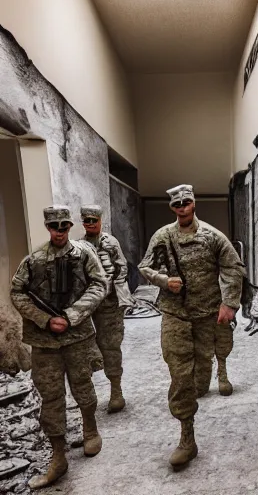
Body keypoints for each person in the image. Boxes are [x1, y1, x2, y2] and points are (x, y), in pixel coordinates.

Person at [138, 184, 245, 469]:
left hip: (207, 313)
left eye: (186, 201)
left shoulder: (212, 236)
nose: (183, 207)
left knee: (203, 364)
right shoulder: (163, 236)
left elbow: (233, 267)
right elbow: (144, 266)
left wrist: (229, 303)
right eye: (177, 204)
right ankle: (187, 437)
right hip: (175, 313)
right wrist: (163, 281)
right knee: (179, 372)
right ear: (172, 208)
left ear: (194, 203)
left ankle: (214, 374)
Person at [10, 205, 108, 489]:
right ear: (48, 227)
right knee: (50, 397)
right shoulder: (34, 260)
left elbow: (99, 284)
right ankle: (58, 456)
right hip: (45, 343)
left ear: (69, 226)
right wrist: (44, 319)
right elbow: (17, 292)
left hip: (77, 337)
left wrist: (71, 315)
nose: (60, 231)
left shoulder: (83, 253)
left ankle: (90, 431)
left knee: (83, 387)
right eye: (55, 227)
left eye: (65, 226)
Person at [80, 204, 135, 413]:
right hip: (87, 304)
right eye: (87, 221)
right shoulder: (78, 246)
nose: (91, 224)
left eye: (94, 220)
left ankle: (116, 391)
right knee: (83, 349)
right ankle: (87, 396)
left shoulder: (110, 242)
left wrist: (119, 292)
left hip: (109, 303)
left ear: (100, 221)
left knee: (110, 345)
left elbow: (122, 268)